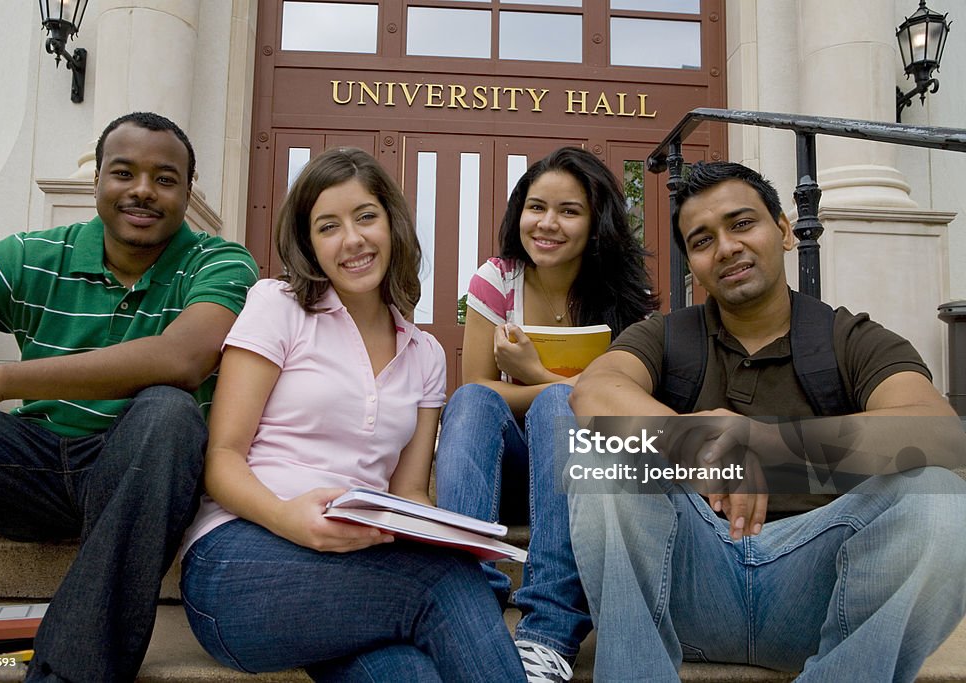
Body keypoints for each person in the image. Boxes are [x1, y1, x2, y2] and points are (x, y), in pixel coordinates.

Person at [567, 160, 966, 682]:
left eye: (741, 223)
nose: (727, 248)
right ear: (692, 261)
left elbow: (937, 430)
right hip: (690, 588)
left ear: (782, 230)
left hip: (818, 596)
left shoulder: (848, 338)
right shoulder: (664, 337)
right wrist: (697, 439)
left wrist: (767, 448)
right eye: (702, 239)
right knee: (601, 455)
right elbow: (594, 391)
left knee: (938, 496)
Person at [178, 147, 526, 682]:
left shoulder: (426, 354)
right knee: (444, 585)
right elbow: (222, 459)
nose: (353, 240)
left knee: (410, 674)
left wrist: (447, 533)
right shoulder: (279, 306)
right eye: (328, 226)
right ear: (309, 244)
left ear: (392, 223)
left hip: (354, 565)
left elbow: (408, 490)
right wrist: (288, 518)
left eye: (366, 216)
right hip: (240, 557)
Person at [0, 111, 259, 682]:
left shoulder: (219, 262)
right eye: (123, 173)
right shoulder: (30, 256)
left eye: (165, 178)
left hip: (145, 474)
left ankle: (67, 674)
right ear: (96, 183)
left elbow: (182, 360)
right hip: (28, 467)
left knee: (168, 412)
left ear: (188, 193)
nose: (142, 190)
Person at [435, 146, 657, 681]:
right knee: (471, 403)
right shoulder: (497, 279)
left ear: (596, 221)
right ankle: (469, 606)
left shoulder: (627, 296)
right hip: (503, 471)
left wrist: (535, 375)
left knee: (561, 404)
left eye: (569, 210)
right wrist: (564, 386)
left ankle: (548, 632)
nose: (548, 224)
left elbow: (617, 401)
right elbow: (477, 388)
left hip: (586, 472)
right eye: (537, 207)